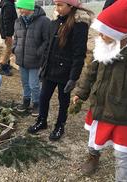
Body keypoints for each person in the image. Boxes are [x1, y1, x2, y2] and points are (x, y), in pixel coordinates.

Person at [73, 0, 127, 180]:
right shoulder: (103, 47)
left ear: (118, 32)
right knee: (94, 139)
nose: (100, 35)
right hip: (101, 107)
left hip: (126, 114)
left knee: (123, 155)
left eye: (104, 31)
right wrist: (80, 92)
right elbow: (90, 72)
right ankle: (93, 156)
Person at [27, 0, 93, 140]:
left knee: (63, 101)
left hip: (66, 71)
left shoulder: (79, 24)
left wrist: (73, 77)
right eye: (56, 4)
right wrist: (43, 67)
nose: (56, 8)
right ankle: (41, 120)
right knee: (44, 96)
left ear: (71, 6)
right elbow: (49, 47)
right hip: (50, 69)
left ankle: (60, 125)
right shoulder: (56, 21)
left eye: (60, 5)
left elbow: (79, 53)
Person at [13, 0, 50, 117]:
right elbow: (16, 37)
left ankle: (36, 104)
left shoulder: (43, 21)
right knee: (25, 83)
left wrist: (38, 52)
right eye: (18, 8)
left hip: (35, 60)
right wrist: (15, 49)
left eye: (21, 8)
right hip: (21, 59)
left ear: (28, 7)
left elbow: (47, 40)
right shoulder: (18, 21)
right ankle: (26, 101)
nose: (19, 11)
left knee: (34, 84)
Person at [0, 0, 17, 76]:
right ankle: (3, 67)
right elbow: (7, 21)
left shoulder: (7, 3)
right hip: (7, 32)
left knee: (7, 48)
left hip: (6, 31)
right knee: (8, 49)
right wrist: (8, 35)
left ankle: (6, 64)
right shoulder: (8, 5)